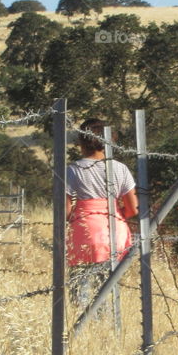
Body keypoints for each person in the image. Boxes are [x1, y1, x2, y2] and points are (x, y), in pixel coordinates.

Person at [66, 118, 138, 305]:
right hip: (114, 231)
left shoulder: (73, 170)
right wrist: (117, 214)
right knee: (107, 288)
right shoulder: (120, 169)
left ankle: (82, 327)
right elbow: (133, 207)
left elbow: (64, 209)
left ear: (82, 141)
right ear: (110, 141)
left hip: (84, 230)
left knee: (79, 286)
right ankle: (106, 327)